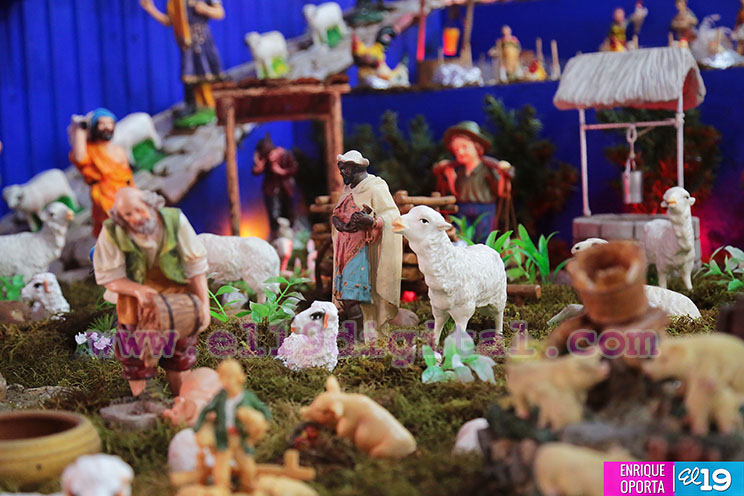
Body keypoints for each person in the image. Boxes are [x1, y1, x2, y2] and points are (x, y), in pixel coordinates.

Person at [93, 187, 210, 397]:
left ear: (150, 204)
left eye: (139, 210)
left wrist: (204, 306)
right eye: (127, 214)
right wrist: (136, 290)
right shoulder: (112, 231)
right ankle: (146, 400)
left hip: (176, 301)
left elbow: (195, 267)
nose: (135, 218)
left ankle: (182, 398)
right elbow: (108, 276)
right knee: (135, 356)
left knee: (179, 355)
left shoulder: (175, 221)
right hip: (135, 305)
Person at [331, 150, 402, 341]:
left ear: (356, 168)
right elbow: (337, 214)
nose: (342, 173)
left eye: (345, 169)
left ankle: (363, 336)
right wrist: (339, 224)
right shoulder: (348, 189)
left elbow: (392, 216)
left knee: (352, 296)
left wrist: (372, 221)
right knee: (347, 296)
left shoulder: (375, 187)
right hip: (345, 251)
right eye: (340, 169)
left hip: (363, 253)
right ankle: (356, 335)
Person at [194, 359, 271, 491]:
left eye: (231, 377)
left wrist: (265, 420)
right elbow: (206, 409)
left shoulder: (246, 397)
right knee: (221, 469)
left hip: (240, 438)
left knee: (248, 467)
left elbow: (262, 408)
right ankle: (222, 488)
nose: (228, 381)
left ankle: (248, 487)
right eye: (224, 377)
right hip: (223, 437)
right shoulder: (220, 397)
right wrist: (198, 426)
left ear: (240, 377)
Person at [434, 121, 515, 242]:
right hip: (463, 208)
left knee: (483, 237)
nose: (460, 152)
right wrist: (450, 176)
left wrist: (503, 175)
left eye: (464, 147)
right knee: (462, 237)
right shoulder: (460, 172)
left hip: (484, 209)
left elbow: (499, 191)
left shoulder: (488, 169)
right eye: (456, 150)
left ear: (477, 147)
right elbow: (456, 192)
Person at [140, 0, 225, 113]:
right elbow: (169, 20)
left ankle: (217, 102)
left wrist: (206, 9)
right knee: (188, 73)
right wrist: (150, 9)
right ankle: (192, 105)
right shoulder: (175, 2)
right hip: (187, 43)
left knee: (210, 69)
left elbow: (220, 13)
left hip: (203, 40)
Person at [69, 108, 135, 237]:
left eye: (110, 123)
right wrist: (80, 130)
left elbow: (128, 177)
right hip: (104, 197)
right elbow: (79, 158)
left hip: (125, 195)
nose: (107, 127)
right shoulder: (91, 150)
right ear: (95, 127)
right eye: (102, 124)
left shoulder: (118, 150)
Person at [252, 134, 298, 240]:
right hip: (271, 190)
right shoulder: (266, 160)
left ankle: (289, 236)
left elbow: (294, 169)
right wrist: (259, 163)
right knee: (273, 214)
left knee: (288, 212)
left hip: (285, 189)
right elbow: (255, 171)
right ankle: (276, 235)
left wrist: (281, 171)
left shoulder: (286, 155)